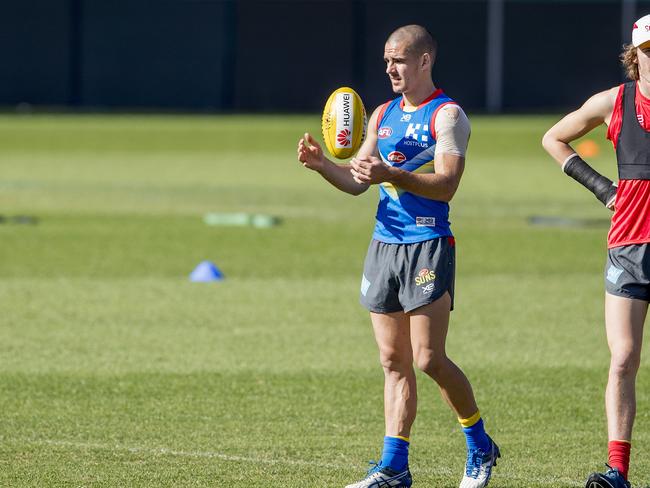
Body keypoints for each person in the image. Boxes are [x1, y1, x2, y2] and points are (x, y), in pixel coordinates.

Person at [297, 25, 499, 488]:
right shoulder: (383, 113)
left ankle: (479, 445)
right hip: (383, 245)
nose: (390, 69)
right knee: (392, 360)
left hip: (427, 243)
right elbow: (357, 181)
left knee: (429, 359)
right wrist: (323, 165)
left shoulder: (447, 116)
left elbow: (446, 186)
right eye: (387, 61)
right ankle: (394, 467)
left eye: (400, 60)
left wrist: (392, 171)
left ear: (425, 60)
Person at [542, 14, 650, 488]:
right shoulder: (614, 101)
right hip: (628, 247)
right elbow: (553, 137)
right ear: (635, 54)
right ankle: (618, 471)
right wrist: (601, 187)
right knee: (623, 358)